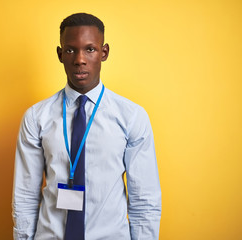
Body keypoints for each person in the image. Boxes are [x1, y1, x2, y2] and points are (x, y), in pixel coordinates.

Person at [12, 13, 161, 240]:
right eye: (71, 50)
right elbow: (25, 196)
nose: (79, 59)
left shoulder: (131, 116)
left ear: (104, 53)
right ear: (60, 55)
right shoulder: (36, 117)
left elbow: (144, 200)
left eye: (90, 49)